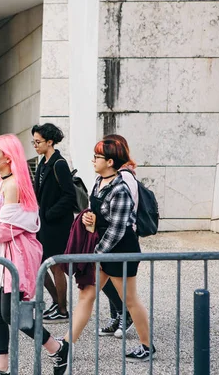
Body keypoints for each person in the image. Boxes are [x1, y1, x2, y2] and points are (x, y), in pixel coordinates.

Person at [55, 136, 155, 372]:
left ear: (110, 161)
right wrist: (91, 219)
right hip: (104, 250)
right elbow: (100, 216)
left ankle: (147, 346)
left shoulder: (120, 188)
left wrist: (95, 253)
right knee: (86, 297)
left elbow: (119, 229)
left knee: (130, 300)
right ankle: (66, 345)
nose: (94, 160)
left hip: (120, 252)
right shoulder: (100, 181)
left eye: (98, 157)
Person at [0, 134, 69, 375]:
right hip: (4, 256)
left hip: (15, 256)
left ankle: (57, 348)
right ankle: (1, 367)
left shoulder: (13, 184)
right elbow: (0, 224)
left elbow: (3, 229)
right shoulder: (3, 181)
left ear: (8, 158)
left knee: (11, 313)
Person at [31, 123, 76, 323]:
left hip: (56, 224)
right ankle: (57, 302)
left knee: (56, 266)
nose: (35, 145)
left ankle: (63, 310)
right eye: (33, 142)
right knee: (41, 263)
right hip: (44, 223)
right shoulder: (43, 162)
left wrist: (49, 213)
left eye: (38, 142)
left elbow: (69, 195)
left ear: (50, 142)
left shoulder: (59, 163)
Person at [99, 134, 138, 339]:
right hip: (109, 240)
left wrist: (98, 251)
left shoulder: (124, 179)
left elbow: (122, 218)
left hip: (121, 239)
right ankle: (119, 315)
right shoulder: (104, 179)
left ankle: (127, 317)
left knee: (126, 294)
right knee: (99, 287)